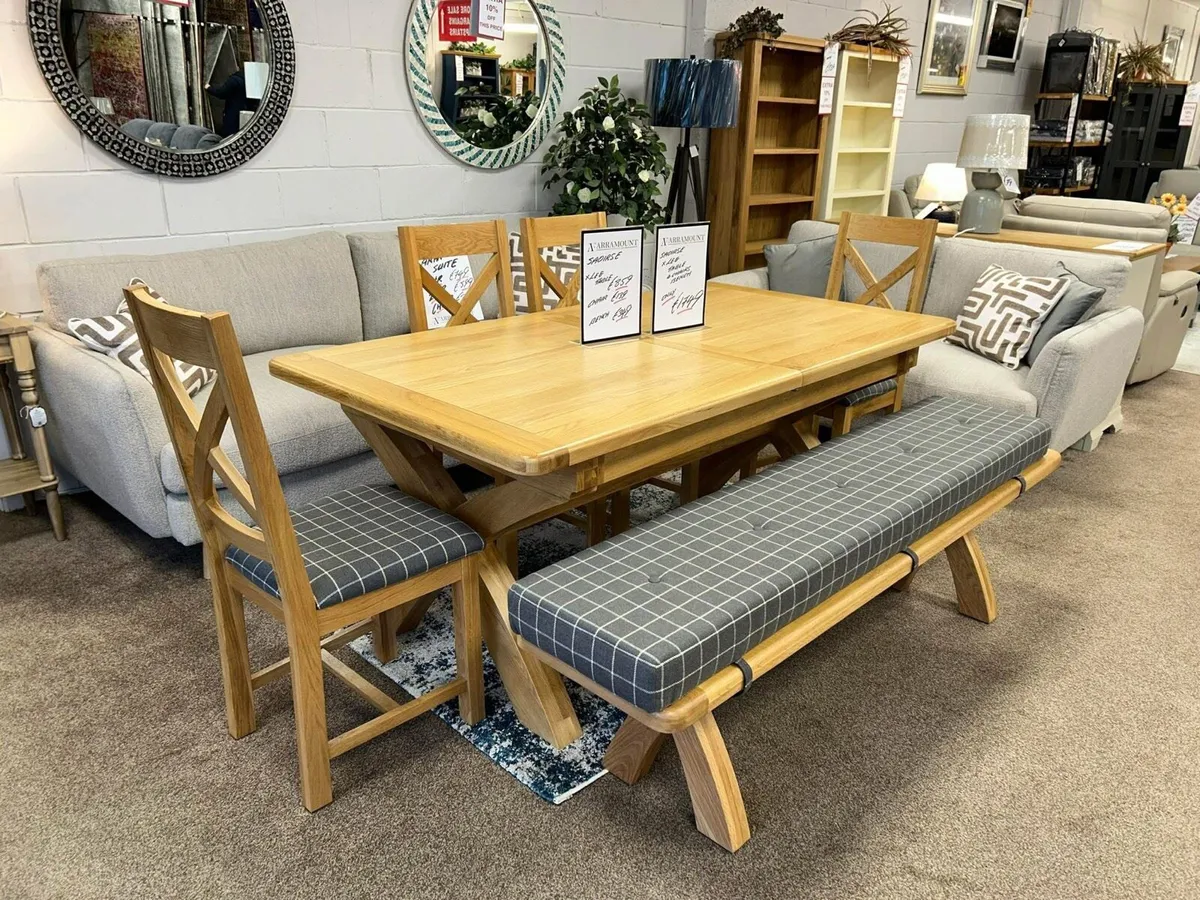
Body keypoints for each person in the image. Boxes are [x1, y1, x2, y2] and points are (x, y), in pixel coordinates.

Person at [205, 70, 247, 138]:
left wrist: (209, 88)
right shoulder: (248, 80)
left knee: (229, 134)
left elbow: (221, 93)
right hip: (244, 112)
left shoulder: (234, 80)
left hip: (232, 112)